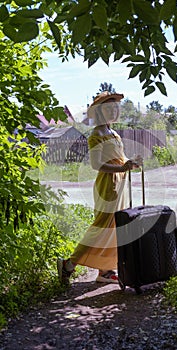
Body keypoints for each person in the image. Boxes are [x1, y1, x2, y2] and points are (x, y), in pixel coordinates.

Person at [57, 91, 142, 285]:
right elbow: (97, 165)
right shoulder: (96, 135)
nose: (113, 111)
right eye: (108, 108)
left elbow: (121, 159)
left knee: (116, 226)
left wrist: (131, 162)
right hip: (108, 185)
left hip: (120, 184)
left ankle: (105, 271)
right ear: (99, 112)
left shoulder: (114, 133)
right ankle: (69, 264)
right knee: (102, 226)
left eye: (115, 107)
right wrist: (122, 167)